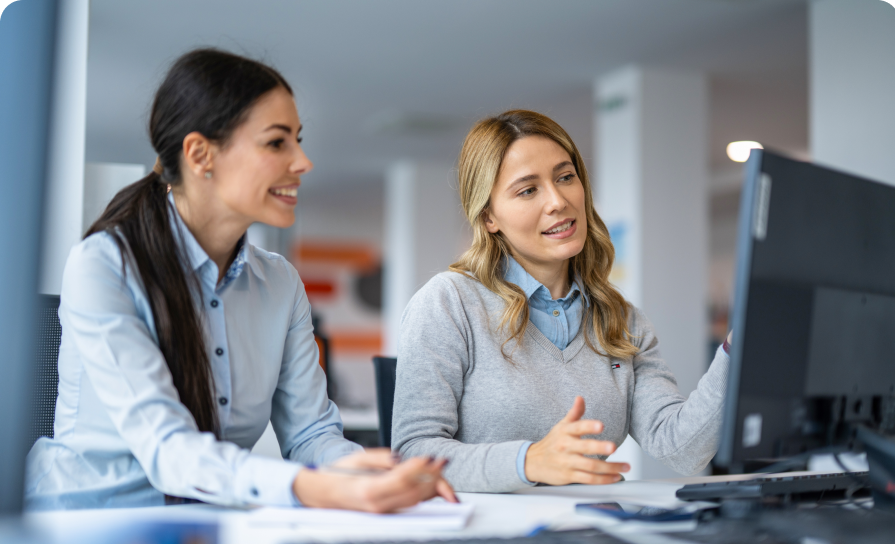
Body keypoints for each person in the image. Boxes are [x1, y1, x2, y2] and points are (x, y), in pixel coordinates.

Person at [26, 48, 454, 511]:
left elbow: (311, 434)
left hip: (209, 528)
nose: (303, 161)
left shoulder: (280, 283)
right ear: (200, 154)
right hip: (85, 524)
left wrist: (369, 471)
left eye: (298, 140)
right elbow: (169, 449)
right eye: (277, 143)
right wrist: (312, 489)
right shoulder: (104, 265)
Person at [392, 110, 731, 493]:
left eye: (565, 177)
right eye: (528, 190)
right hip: (493, 539)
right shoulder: (448, 303)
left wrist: (737, 350)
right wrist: (529, 461)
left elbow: (682, 450)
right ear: (489, 217)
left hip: (592, 531)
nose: (558, 201)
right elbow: (414, 455)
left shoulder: (622, 320)